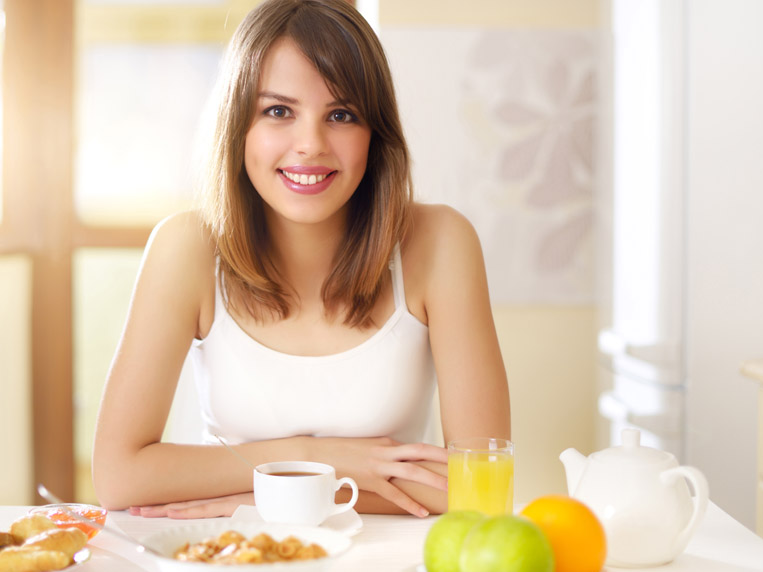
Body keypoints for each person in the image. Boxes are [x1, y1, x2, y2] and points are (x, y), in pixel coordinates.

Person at [92, 0, 509, 520]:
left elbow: (482, 488)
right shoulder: (186, 248)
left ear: (374, 136)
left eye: (340, 115)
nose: (310, 145)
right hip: (237, 553)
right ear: (238, 126)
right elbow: (118, 476)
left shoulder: (441, 242)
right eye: (278, 111)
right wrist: (315, 458)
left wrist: (256, 495)